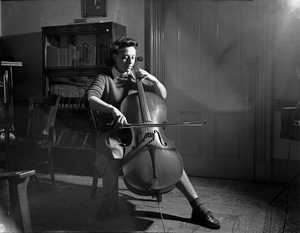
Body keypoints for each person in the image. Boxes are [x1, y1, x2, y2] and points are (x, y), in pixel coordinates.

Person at [85, 37, 220, 230]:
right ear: (114, 56)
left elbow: (161, 96)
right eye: (124, 57)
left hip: (142, 133)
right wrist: (112, 110)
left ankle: (198, 207)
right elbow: (91, 98)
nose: (130, 62)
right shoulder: (105, 78)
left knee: (169, 158)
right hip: (113, 132)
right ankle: (107, 202)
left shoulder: (137, 77)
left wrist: (154, 80)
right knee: (114, 155)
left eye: (132, 57)